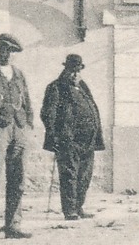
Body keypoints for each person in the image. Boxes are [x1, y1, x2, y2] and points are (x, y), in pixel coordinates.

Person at [0, 33, 33, 240]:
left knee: (18, 178)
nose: (8, 55)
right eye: (4, 50)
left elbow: (27, 101)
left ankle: (13, 225)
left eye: (12, 52)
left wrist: (28, 124)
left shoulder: (19, 75)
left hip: (18, 128)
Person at [42, 53, 105, 220]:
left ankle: (78, 206)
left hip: (88, 140)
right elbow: (48, 114)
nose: (75, 75)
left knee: (85, 175)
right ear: (66, 70)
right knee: (69, 174)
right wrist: (54, 135)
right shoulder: (56, 88)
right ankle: (69, 210)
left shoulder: (83, 87)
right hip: (68, 140)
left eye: (78, 71)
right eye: (72, 71)